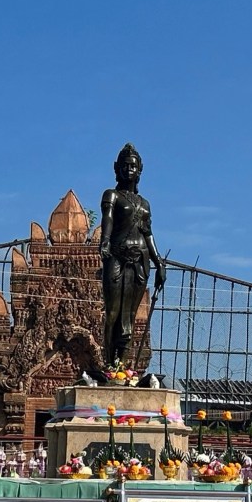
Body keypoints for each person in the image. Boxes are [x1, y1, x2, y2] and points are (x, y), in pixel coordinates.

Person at [99, 143, 166, 367]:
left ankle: (122, 365)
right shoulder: (112, 195)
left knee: (130, 316)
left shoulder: (144, 204)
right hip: (117, 256)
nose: (129, 169)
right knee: (113, 313)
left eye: (133, 166)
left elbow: (148, 234)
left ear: (140, 170)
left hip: (140, 261)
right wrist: (105, 241)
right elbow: (108, 219)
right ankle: (109, 363)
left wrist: (159, 263)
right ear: (116, 168)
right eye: (125, 165)